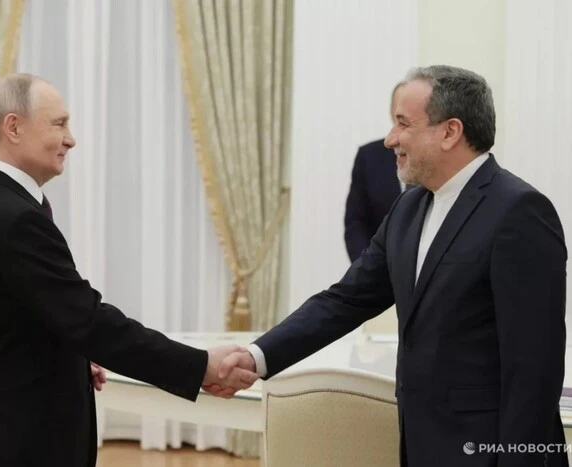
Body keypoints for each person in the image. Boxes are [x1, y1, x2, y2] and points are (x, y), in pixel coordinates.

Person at [220, 65, 568, 467]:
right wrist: (257, 356)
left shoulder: (519, 211)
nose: (390, 139)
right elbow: (345, 300)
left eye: (403, 123)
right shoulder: (408, 208)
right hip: (420, 444)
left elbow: (534, 369)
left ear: (450, 132)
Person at [0, 73, 257, 467]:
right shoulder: (10, 216)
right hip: (7, 443)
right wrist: (202, 365)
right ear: (13, 127)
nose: (70, 139)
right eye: (59, 124)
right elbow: (88, 321)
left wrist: (67, 357)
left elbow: (4, 318)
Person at [344, 82, 411, 262]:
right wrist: (366, 267)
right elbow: (356, 222)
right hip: (379, 268)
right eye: (400, 115)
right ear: (391, 113)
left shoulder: (436, 156)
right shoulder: (369, 156)